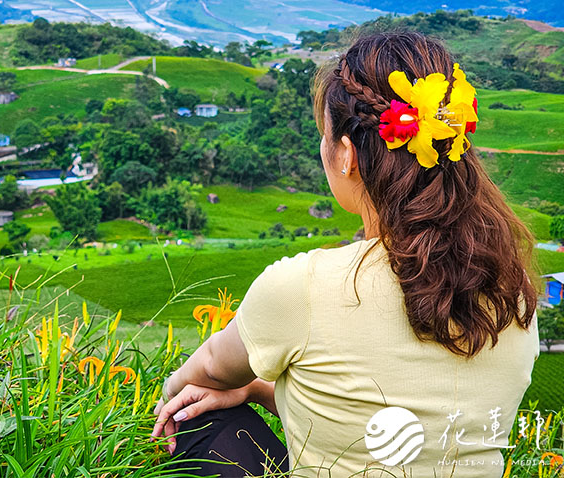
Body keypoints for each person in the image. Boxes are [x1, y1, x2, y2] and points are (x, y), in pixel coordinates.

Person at [150, 31, 540, 477]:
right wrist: (258, 391)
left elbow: (204, 374)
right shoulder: (516, 294)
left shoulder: (305, 287)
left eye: (325, 135)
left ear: (347, 155)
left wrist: (174, 395)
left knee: (196, 413)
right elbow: (408, 423)